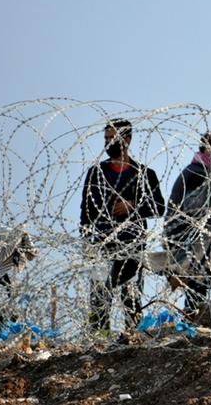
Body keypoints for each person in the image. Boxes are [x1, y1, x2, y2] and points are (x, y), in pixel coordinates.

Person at [80, 119, 165, 333]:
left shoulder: (144, 174)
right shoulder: (97, 173)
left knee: (131, 298)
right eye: (106, 139)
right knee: (100, 298)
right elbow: (86, 211)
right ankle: (99, 339)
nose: (108, 143)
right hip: (102, 243)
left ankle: (132, 338)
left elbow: (159, 207)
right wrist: (86, 243)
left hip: (132, 245)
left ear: (126, 139)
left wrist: (133, 205)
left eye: (113, 138)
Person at [163, 131, 211, 319]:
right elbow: (193, 205)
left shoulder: (198, 170)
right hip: (191, 234)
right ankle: (193, 317)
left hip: (191, 233)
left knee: (197, 280)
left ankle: (194, 316)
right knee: (196, 280)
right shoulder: (198, 172)